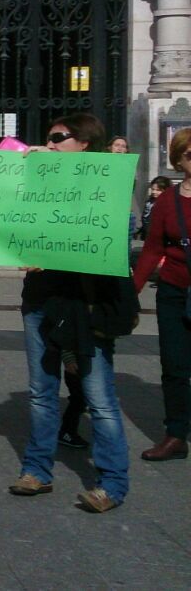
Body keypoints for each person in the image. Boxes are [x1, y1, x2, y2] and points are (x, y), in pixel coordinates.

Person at [11, 113, 134, 513]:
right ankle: (37, 470)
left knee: (99, 397)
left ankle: (112, 483)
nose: (49, 144)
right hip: (41, 300)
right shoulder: (34, 181)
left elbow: (107, 243)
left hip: (85, 304)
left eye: (57, 138)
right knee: (41, 391)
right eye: (47, 138)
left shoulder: (105, 187)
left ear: (84, 144)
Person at [134, 128, 191, 464]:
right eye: (188, 154)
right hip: (173, 291)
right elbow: (152, 249)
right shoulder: (167, 201)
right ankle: (175, 434)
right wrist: (132, 291)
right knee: (174, 366)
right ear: (179, 158)